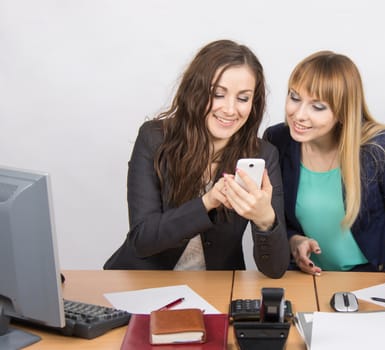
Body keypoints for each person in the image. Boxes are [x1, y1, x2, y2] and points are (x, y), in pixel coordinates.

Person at [104, 40, 289, 278]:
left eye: (243, 98)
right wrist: (208, 202)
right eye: (218, 94)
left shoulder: (263, 154)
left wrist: (266, 219)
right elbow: (143, 239)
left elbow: (275, 269)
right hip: (142, 282)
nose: (230, 110)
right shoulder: (154, 138)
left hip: (215, 287)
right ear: (195, 92)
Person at [263, 51, 385, 281]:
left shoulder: (378, 148)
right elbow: (276, 218)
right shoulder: (277, 140)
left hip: (377, 276)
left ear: (342, 112)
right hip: (312, 279)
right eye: (295, 97)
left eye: (318, 107)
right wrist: (295, 241)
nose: (299, 115)